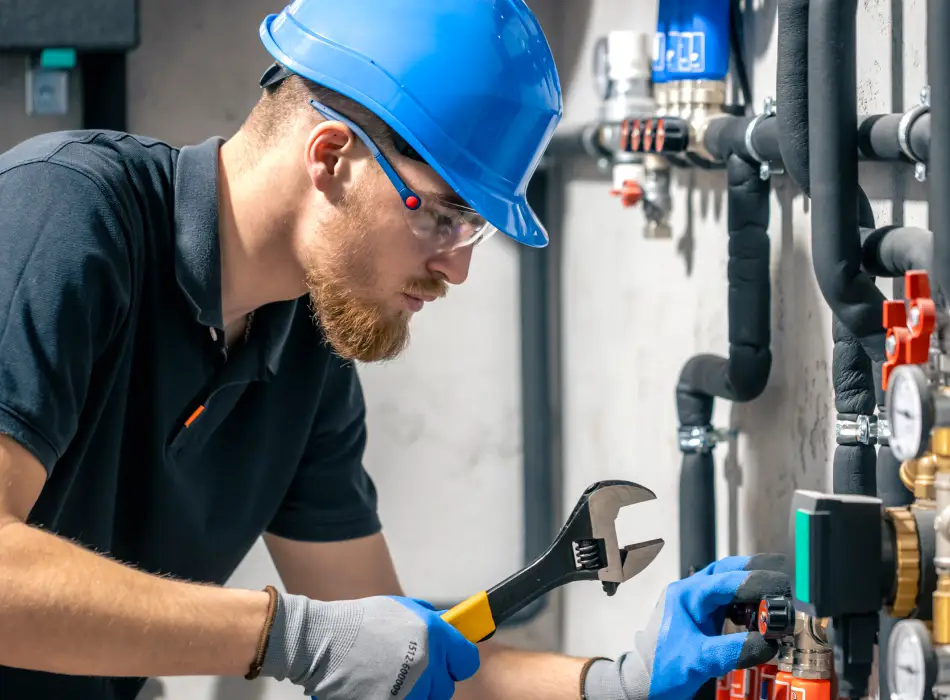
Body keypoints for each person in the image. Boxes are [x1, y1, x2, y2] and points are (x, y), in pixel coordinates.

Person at [0, 1, 792, 698]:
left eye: (471, 230)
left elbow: (399, 663)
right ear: (331, 158)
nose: (457, 267)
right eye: (444, 216)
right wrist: (289, 638)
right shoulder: (63, 215)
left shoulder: (304, 354)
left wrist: (615, 683)